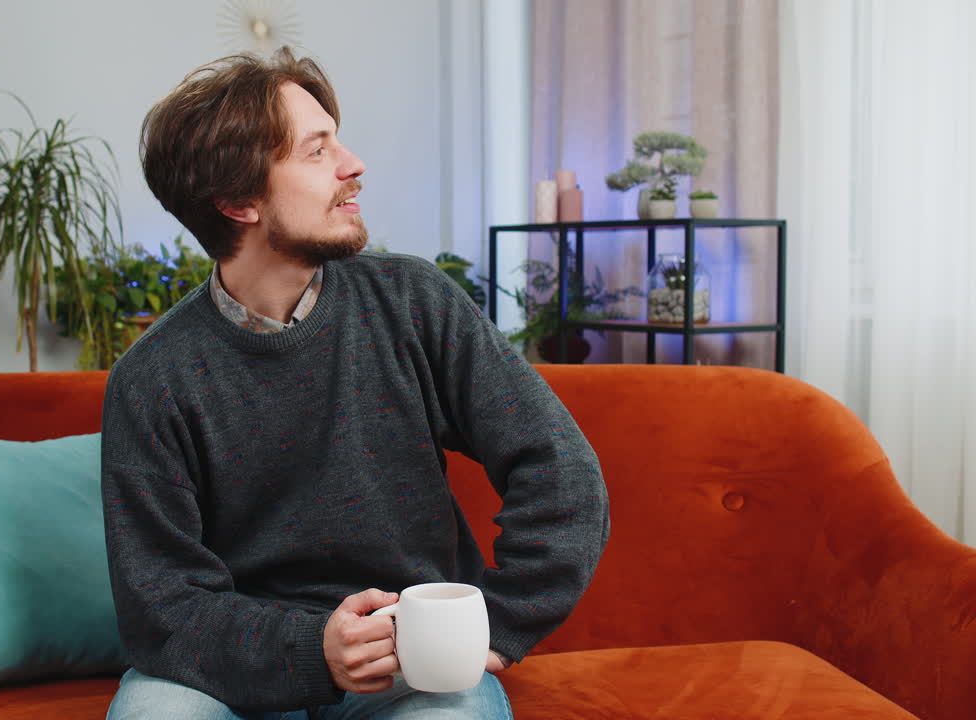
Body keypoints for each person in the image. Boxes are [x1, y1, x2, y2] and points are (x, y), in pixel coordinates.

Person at [101, 47, 609, 720]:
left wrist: (506, 620)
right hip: (230, 669)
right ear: (236, 201)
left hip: (409, 659)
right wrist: (316, 649)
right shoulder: (153, 378)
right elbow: (160, 606)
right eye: (317, 152)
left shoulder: (415, 302)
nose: (353, 164)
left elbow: (560, 469)